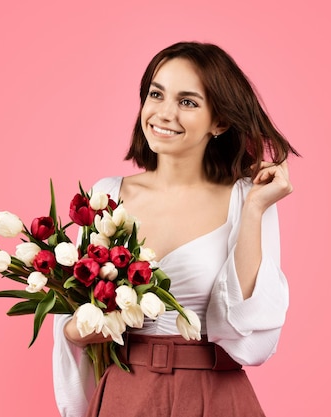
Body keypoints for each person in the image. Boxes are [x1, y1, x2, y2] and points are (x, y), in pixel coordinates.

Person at [52, 41, 299, 417]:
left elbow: (245, 332)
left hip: (214, 396)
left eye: (188, 102)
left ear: (220, 121)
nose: (164, 113)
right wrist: (79, 331)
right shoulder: (107, 195)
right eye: (156, 94)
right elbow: (73, 317)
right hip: (125, 393)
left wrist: (253, 211)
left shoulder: (248, 199)